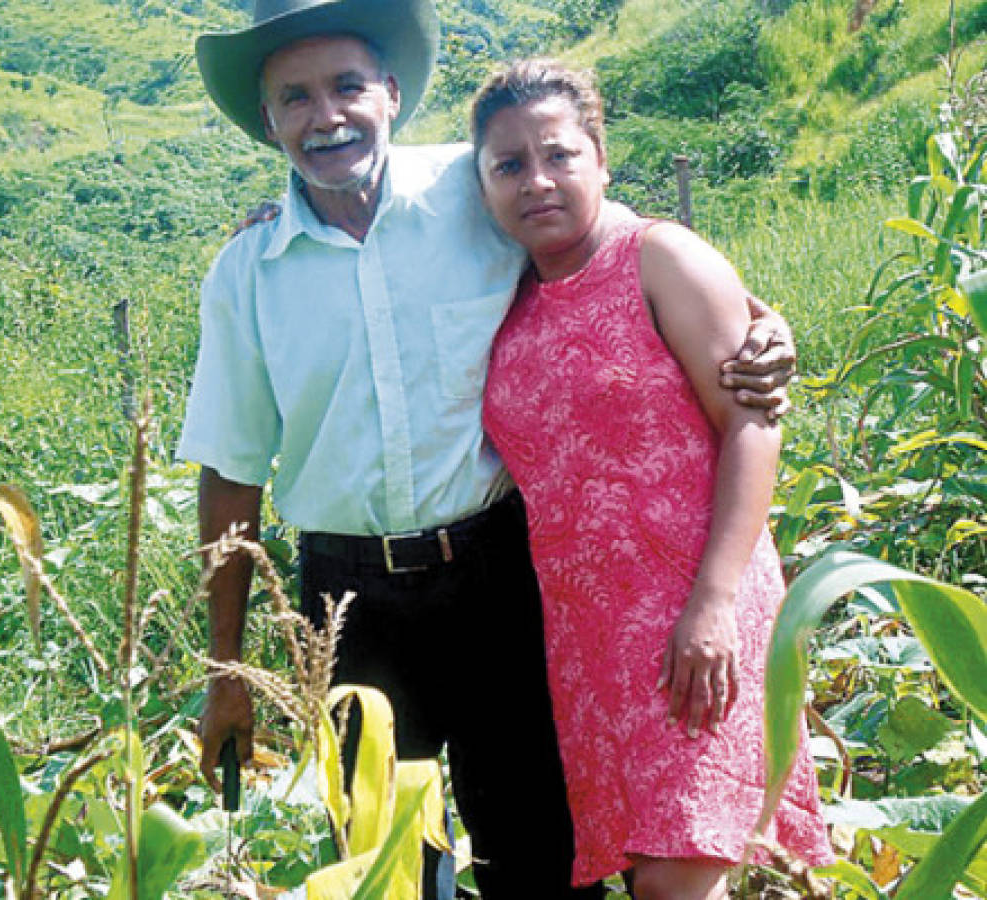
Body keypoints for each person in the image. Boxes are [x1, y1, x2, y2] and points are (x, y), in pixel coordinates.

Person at [179, 2, 796, 896]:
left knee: (540, 845)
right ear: (268, 122)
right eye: (295, 98)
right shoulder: (247, 274)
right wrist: (225, 671)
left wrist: (762, 324)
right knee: (386, 858)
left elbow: (610, 239)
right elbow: (230, 474)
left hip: (498, 571)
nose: (327, 116)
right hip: (348, 606)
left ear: (390, 94)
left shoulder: (474, 192)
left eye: (347, 85)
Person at [473, 60, 835, 898]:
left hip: (693, 611)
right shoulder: (500, 298)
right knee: (646, 871)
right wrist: (281, 208)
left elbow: (752, 420)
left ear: (601, 159)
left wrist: (712, 602)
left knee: (677, 880)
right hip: (586, 641)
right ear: (482, 186)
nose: (536, 181)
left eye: (558, 155)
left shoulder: (658, 257)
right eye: (508, 166)